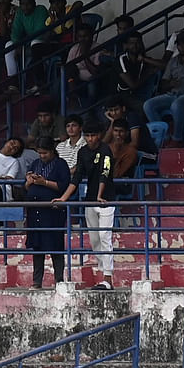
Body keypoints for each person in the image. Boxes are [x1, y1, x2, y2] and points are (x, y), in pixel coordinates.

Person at [71, 116, 116, 287]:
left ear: (100, 135)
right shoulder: (82, 152)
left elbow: (105, 173)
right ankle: (103, 273)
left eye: (93, 135)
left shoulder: (106, 150)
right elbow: (77, 177)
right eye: (87, 135)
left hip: (106, 199)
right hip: (90, 199)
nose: (90, 139)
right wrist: (64, 198)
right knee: (94, 239)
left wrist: (99, 195)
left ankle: (108, 277)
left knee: (105, 236)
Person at [24, 139, 72, 286]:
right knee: (37, 247)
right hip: (34, 210)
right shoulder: (35, 164)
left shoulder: (60, 164)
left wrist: (44, 182)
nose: (42, 156)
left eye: (45, 153)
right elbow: (26, 187)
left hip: (52, 211)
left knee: (55, 245)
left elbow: (64, 186)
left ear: (52, 151)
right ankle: (36, 282)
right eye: (40, 153)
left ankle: (59, 281)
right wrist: (30, 181)